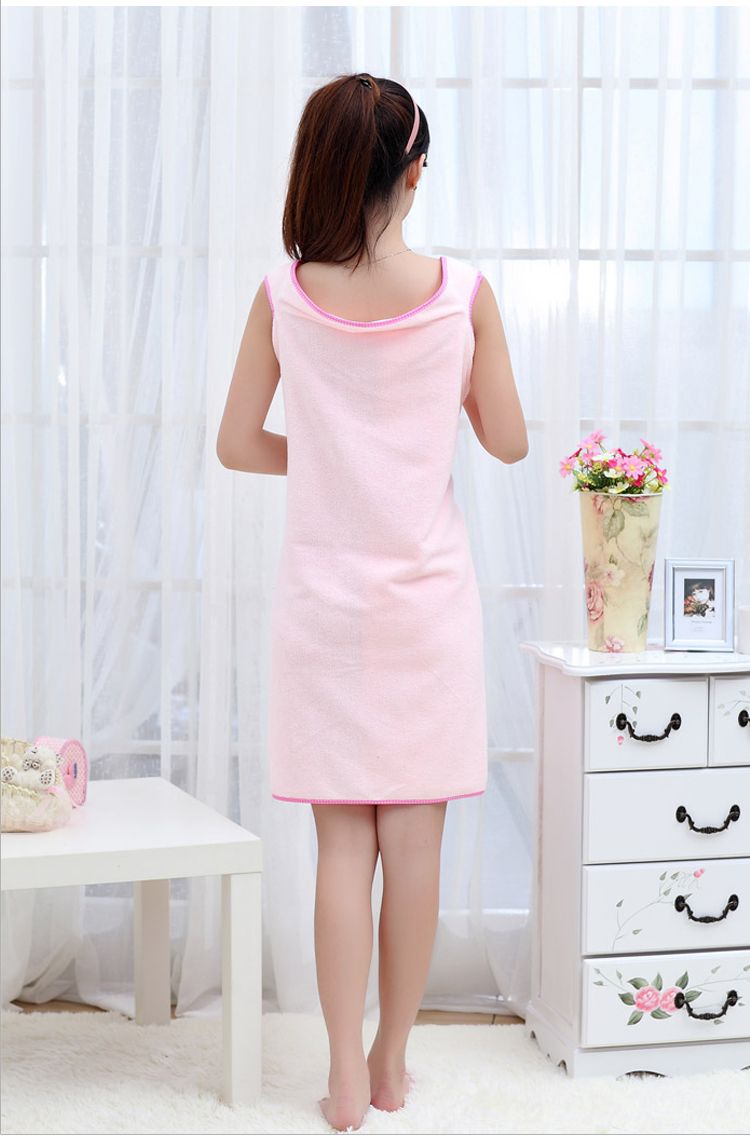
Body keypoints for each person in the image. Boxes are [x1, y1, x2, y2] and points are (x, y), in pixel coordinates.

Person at [216, 72, 528, 1133]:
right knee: (417, 851)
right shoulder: (462, 294)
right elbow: (508, 440)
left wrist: (329, 461)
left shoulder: (283, 295)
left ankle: (343, 1075)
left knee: (342, 851)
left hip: (324, 612)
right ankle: (393, 1060)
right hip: (426, 611)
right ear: (414, 172)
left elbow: (237, 443)